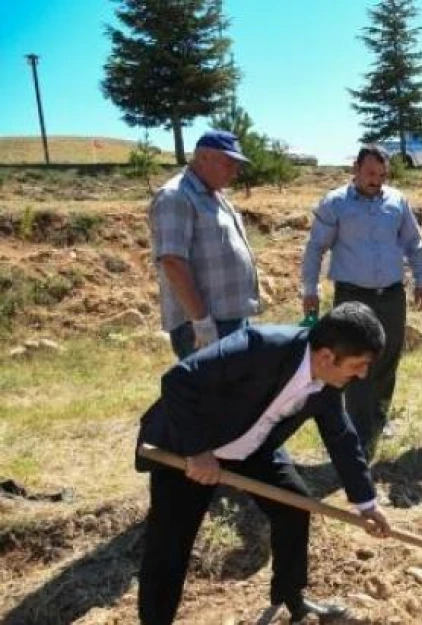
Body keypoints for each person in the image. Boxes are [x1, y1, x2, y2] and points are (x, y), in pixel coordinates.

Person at [135, 303, 392, 625]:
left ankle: (291, 600)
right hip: (190, 448)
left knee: (295, 507)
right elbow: (178, 380)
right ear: (327, 356)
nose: (363, 374)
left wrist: (366, 504)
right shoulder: (259, 346)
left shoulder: (328, 383)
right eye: (359, 364)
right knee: (170, 545)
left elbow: (341, 437)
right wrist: (198, 451)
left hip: (253, 448)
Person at [301, 145, 422, 457]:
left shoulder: (397, 201)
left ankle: (378, 419)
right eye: (370, 173)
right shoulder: (335, 203)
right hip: (353, 296)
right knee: (354, 362)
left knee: (387, 358)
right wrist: (310, 288)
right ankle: (358, 436)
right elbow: (316, 247)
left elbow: (414, 243)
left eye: (382, 175)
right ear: (356, 169)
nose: (376, 180)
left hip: (391, 295)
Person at [148, 130, 261, 360]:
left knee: (233, 392)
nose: (235, 172)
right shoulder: (176, 196)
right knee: (212, 394)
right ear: (203, 158)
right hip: (204, 324)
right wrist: (201, 321)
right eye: (229, 163)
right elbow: (173, 262)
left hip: (229, 318)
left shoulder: (214, 196)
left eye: (237, 166)